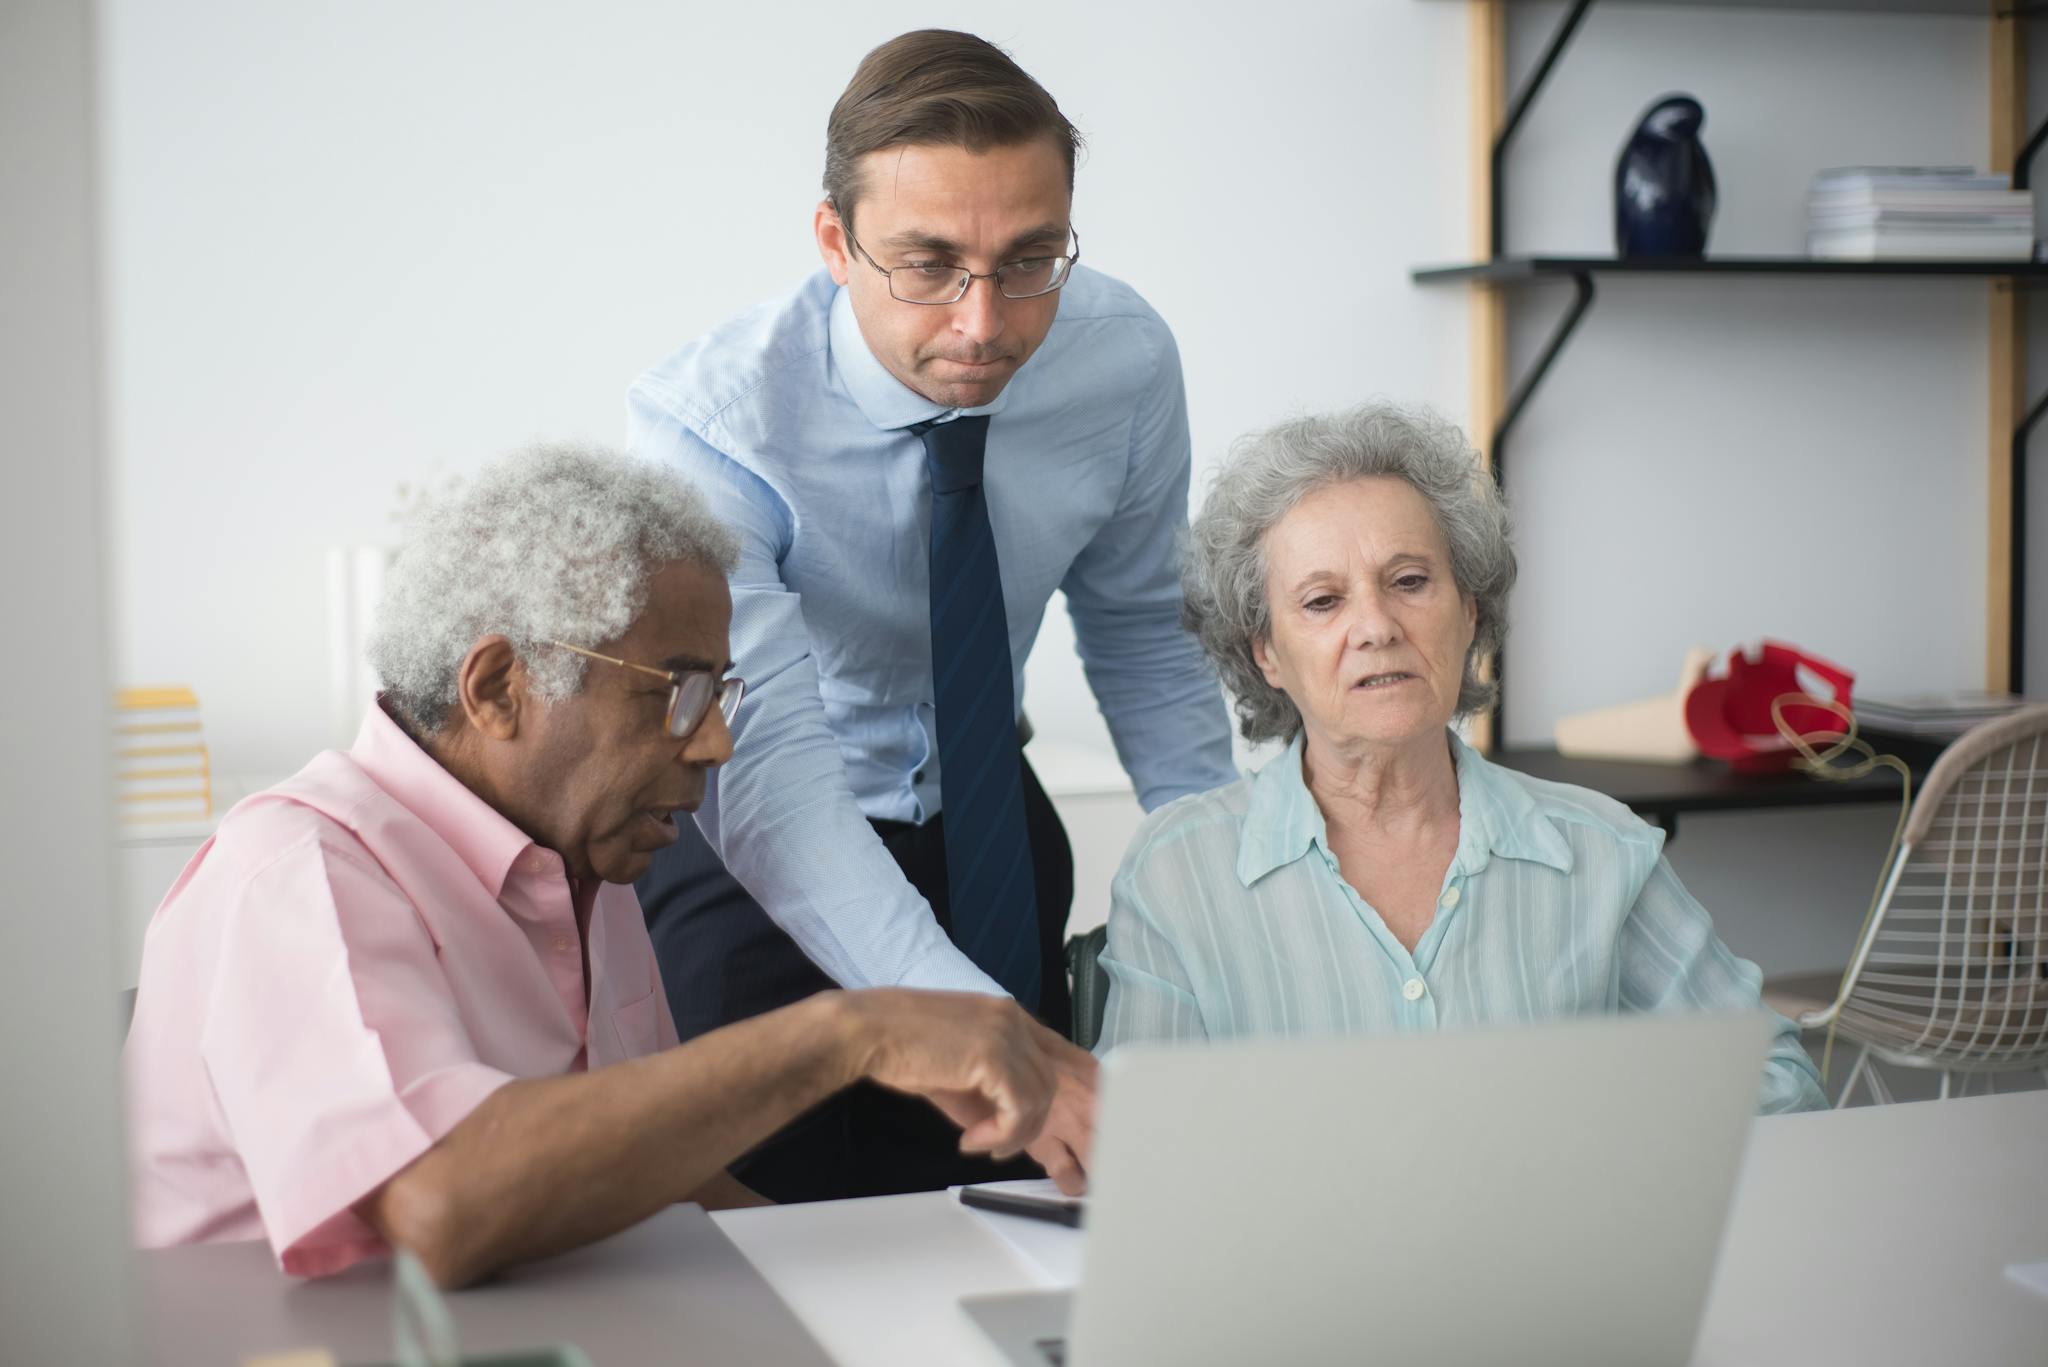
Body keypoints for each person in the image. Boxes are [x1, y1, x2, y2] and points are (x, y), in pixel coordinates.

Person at [122, 445, 1086, 1286]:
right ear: (499, 687)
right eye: (678, 691)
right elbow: (444, 1204)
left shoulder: (577, 859)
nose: (713, 743)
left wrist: (917, 1283)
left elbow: (667, 1185)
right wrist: (849, 1032)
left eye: (721, 693)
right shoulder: (297, 874)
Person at [629, 29, 1236, 1199]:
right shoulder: (708, 423)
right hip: (753, 853)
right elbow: (773, 778)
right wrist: (976, 1029)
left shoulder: (1120, 360)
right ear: (832, 242)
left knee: (1016, 1215)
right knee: (775, 1256)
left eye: (1027, 259)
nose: (982, 322)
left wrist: (1225, 887)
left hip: (989, 834)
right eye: (927, 264)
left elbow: (1143, 635)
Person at [1095, 404, 1827, 1114]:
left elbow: (1780, 1082)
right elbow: (1131, 1146)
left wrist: (1603, 1134)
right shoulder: (1176, 871)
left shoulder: (1603, 852)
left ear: (1469, 610)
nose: (1377, 627)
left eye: (1410, 582)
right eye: (1322, 601)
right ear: (1266, 653)